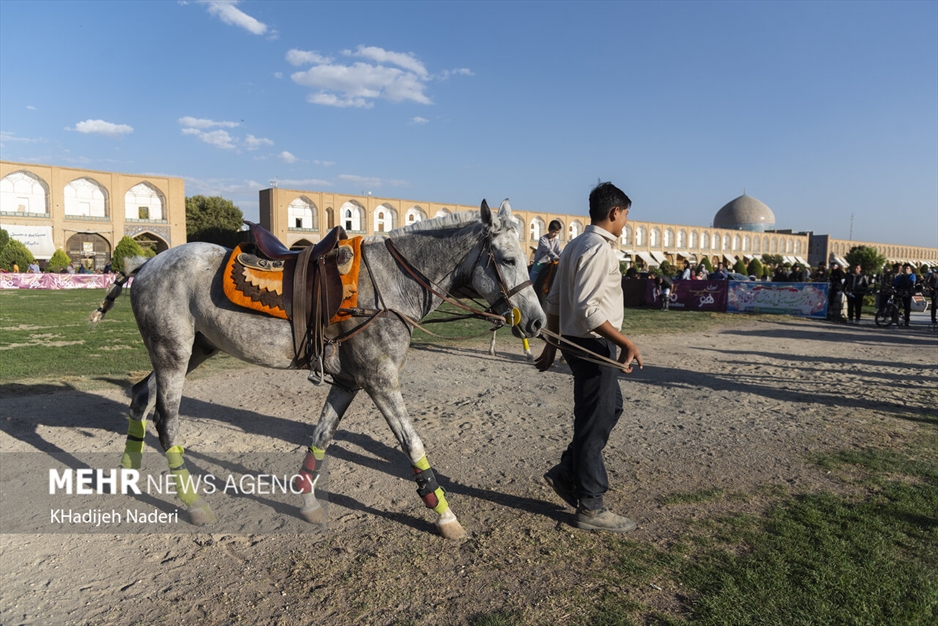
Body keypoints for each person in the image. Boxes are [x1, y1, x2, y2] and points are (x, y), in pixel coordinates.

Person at [536, 181, 642, 533]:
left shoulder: (574, 245)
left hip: (574, 342)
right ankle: (591, 505)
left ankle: (567, 472)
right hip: (592, 346)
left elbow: (554, 301)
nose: (626, 222)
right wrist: (625, 342)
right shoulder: (598, 249)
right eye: (626, 215)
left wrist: (551, 344)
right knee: (593, 422)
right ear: (614, 213)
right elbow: (587, 310)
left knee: (609, 409)